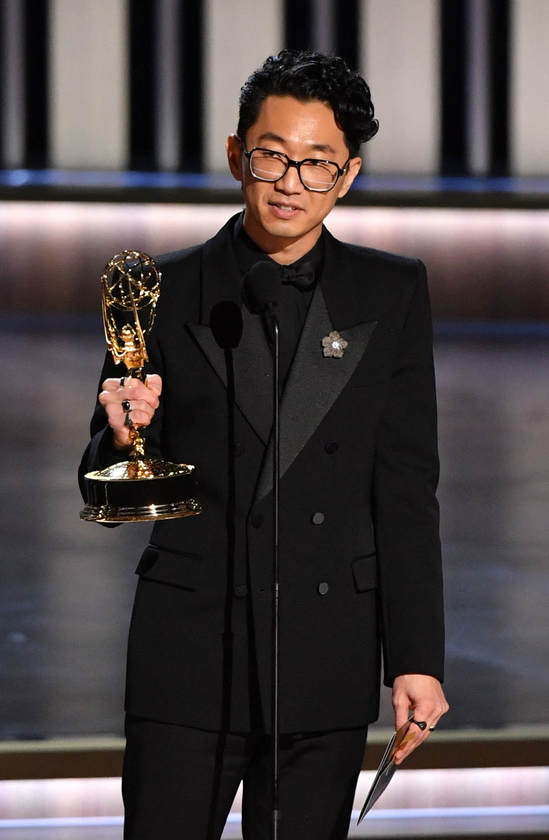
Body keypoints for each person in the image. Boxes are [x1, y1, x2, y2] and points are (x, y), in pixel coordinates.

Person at [80, 49, 448, 840]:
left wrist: (416, 657)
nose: (290, 182)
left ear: (347, 176)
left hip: (325, 656)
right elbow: (107, 495)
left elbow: (407, 487)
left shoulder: (389, 292)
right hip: (189, 659)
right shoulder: (159, 290)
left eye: (316, 164)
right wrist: (124, 438)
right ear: (235, 155)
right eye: (272, 155)